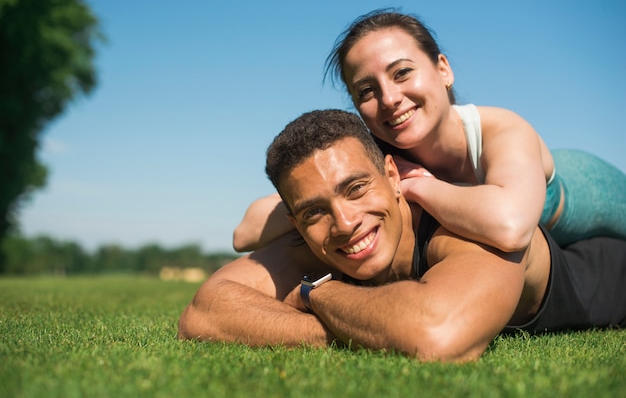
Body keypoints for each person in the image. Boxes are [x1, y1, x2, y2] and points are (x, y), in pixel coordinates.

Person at [179, 109, 626, 362]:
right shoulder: (319, 235)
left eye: (356, 188)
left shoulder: (461, 229)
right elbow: (205, 312)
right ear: (294, 221)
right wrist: (363, 327)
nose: (345, 222)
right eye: (314, 211)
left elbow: (435, 335)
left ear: (394, 176)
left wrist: (317, 295)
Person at [233, 9, 626, 253]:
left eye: (402, 72)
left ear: (443, 69)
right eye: (366, 91)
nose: (389, 99)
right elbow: (245, 232)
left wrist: (418, 185)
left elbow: (509, 227)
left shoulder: (500, 129)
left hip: (585, 193)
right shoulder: (374, 155)